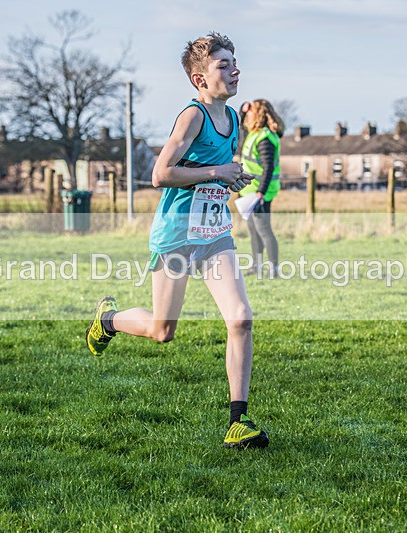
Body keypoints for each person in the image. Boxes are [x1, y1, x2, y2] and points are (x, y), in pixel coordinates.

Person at [85, 32, 269, 449]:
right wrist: (216, 173)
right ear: (199, 80)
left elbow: (214, 170)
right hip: (176, 236)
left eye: (234, 62)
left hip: (214, 234)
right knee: (161, 330)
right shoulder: (192, 116)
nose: (235, 69)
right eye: (224, 65)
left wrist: (232, 176)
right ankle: (109, 320)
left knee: (240, 318)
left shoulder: (234, 119)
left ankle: (237, 422)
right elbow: (160, 175)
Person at [239, 99, 284, 277]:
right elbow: (241, 130)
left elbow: (268, 167)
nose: (248, 116)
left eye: (250, 112)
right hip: (250, 191)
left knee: (264, 230)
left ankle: (274, 269)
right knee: (253, 230)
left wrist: (261, 193)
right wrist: (242, 111)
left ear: (257, 115)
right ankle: (256, 266)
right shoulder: (254, 133)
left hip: (259, 192)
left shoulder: (264, 138)